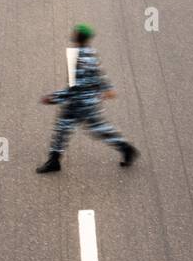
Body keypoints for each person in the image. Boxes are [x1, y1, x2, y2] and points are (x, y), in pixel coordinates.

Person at [36, 24, 138, 174]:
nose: (73, 33)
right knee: (64, 128)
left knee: (94, 128)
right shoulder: (90, 52)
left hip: (81, 103)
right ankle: (54, 160)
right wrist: (106, 88)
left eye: (75, 32)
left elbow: (74, 88)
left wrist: (53, 98)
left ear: (77, 36)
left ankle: (126, 148)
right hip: (87, 100)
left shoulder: (76, 58)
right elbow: (98, 73)